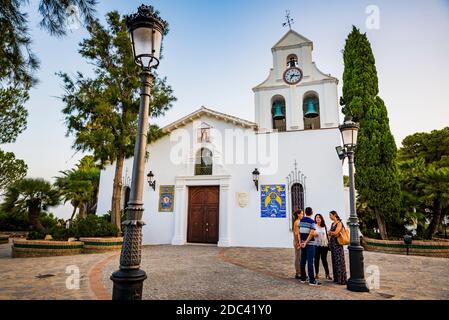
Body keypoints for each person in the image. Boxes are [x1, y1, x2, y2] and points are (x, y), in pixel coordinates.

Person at [299, 207, 321, 286]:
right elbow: (311, 233)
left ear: (305, 212)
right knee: (310, 262)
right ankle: (312, 281)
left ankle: (303, 278)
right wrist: (306, 242)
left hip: (302, 243)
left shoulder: (301, 220)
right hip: (310, 244)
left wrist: (301, 242)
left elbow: (299, 232)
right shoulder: (312, 222)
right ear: (312, 213)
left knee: (303, 261)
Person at [328, 210, 348, 285]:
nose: (329, 217)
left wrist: (330, 232)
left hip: (338, 244)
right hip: (333, 243)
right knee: (334, 261)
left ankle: (341, 279)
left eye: (330, 215)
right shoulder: (332, 223)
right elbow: (331, 233)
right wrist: (331, 233)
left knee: (339, 261)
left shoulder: (339, 223)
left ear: (334, 215)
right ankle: (336, 278)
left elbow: (336, 233)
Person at [314, 214, 331, 280]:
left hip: (324, 245)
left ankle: (327, 274)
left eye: (319, 217)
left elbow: (328, 235)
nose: (317, 219)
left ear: (321, 219)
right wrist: (314, 234)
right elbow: (311, 234)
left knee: (324, 260)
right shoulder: (314, 226)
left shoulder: (325, 226)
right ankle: (317, 274)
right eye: (316, 217)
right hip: (316, 245)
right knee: (316, 259)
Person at [293, 209, 304, 279]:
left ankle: (299, 272)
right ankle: (298, 273)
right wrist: (298, 243)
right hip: (297, 241)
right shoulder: (297, 222)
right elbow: (296, 234)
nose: (302, 215)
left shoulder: (299, 221)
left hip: (298, 241)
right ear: (298, 214)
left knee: (299, 257)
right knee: (298, 257)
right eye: (302, 214)